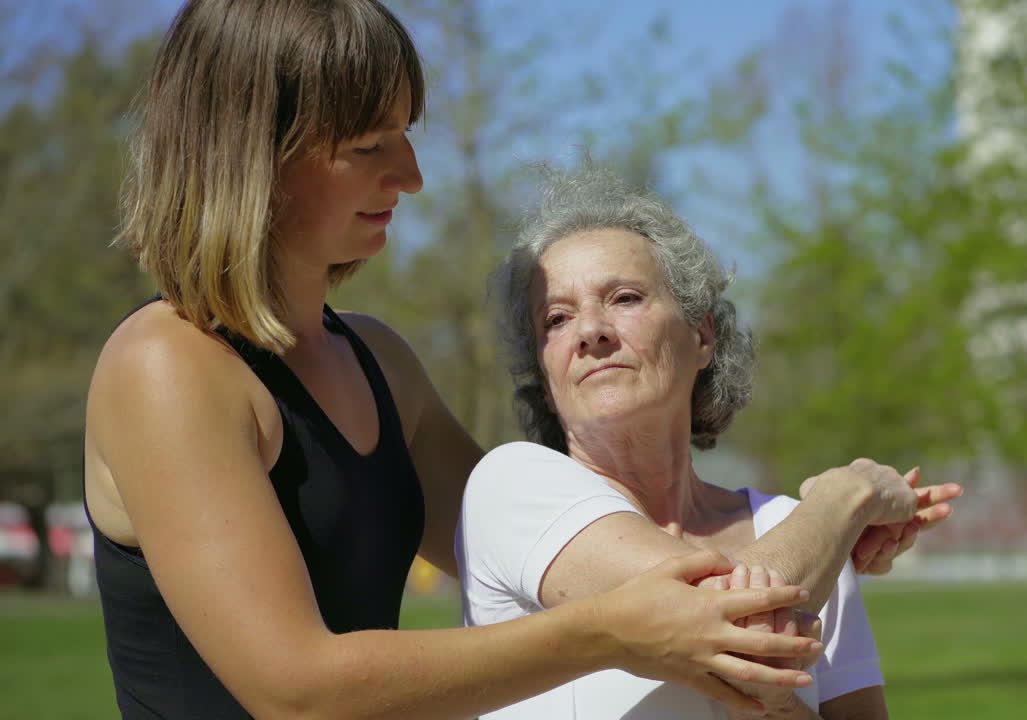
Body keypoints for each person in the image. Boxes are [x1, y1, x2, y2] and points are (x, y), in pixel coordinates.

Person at [84, 2, 830, 718]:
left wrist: (841, 508)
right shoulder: (166, 367)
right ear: (252, 156)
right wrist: (606, 634)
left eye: (405, 134)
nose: (411, 175)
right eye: (370, 145)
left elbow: (593, 562)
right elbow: (300, 693)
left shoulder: (382, 364)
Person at [458, 164, 964, 719]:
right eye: (556, 318)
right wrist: (848, 495)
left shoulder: (799, 529)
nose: (589, 331)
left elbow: (740, 638)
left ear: (701, 335)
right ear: (544, 372)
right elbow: (713, 620)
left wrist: (777, 706)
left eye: (624, 298)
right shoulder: (510, 486)